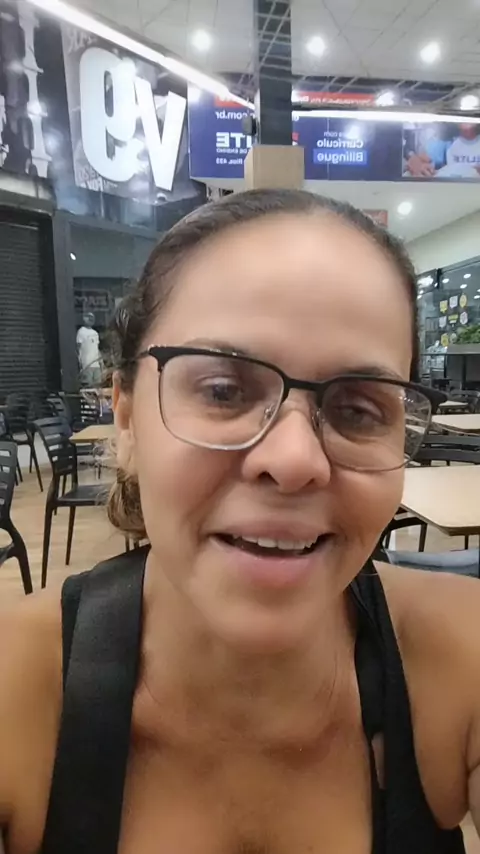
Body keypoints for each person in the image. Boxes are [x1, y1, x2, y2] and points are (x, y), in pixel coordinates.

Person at [0, 188, 479, 854]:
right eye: (224, 391)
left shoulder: (460, 657)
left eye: (357, 410)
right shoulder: (16, 686)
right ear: (127, 418)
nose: (295, 460)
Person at [76, 312, 102, 386]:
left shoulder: (95, 333)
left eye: (92, 318)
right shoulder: (81, 332)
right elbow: (78, 347)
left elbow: (97, 348)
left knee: (98, 385)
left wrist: (101, 362)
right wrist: (79, 361)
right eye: (88, 317)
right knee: (88, 386)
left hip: (96, 364)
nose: (91, 319)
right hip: (86, 364)